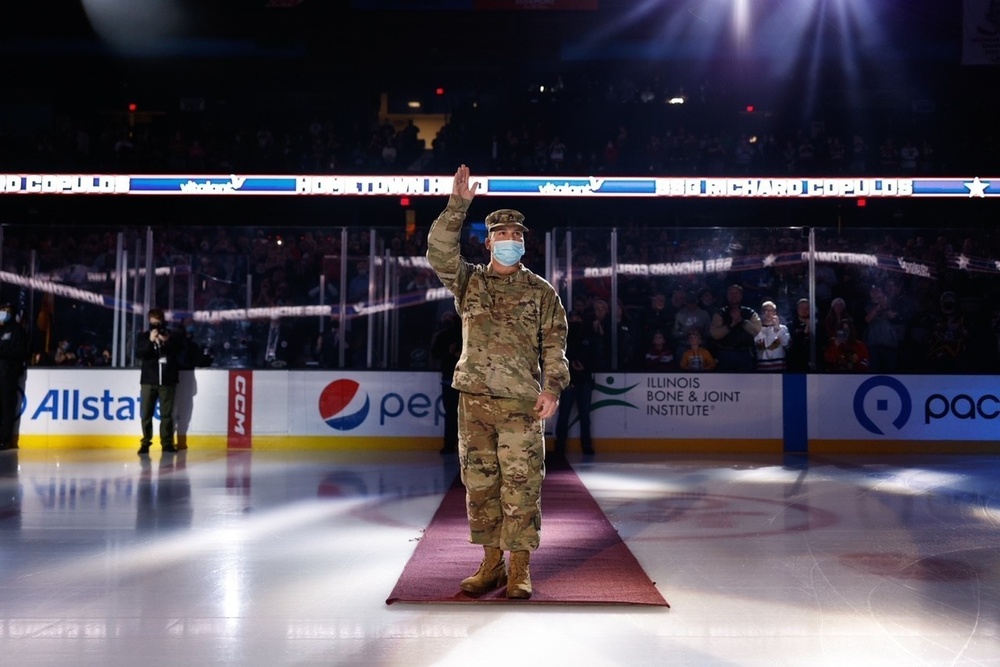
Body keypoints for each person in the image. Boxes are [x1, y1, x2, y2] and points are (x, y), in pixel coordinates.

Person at [426, 164, 569, 600]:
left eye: (516, 236)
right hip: (475, 401)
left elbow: (555, 345)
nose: (510, 242)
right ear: (487, 242)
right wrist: (457, 206)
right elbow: (438, 253)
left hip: (521, 403)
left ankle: (520, 569)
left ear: (524, 243)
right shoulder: (469, 281)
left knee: (522, 483)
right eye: (502, 236)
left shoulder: (542, 292)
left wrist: (553, 387)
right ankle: (490, 565)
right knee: (481, 483)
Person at [136, 308, 184, 455]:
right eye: (154, 323)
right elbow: (140, 353)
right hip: (149, 379)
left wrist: (167, 341)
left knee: (166, 414)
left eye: (159, 323)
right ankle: (145, 442)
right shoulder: (144, 336)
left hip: (167, 379)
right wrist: (151, 341)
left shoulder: (171, 336)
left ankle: (167, 443)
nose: (156, 326)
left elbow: (179, 350)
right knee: (146, 413)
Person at [554, 310, 595, 457]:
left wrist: (585, 367)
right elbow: (558, 358)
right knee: (564, 414)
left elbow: (595, 356)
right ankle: (560, 445)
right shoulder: (562, 337)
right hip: (568, 382)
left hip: (584, 381)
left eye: (577, 317)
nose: (575, 321)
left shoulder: (589, 336)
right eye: (572, 318)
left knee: (585, 415)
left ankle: (587, 445)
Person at [430, 310, 462, 455]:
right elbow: (435, 354)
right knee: (456, 415)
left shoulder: (445, 335)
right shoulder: (468, 336)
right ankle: (456, 445)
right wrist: (449, 354)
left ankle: (450, 445)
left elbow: (435, 354)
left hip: (456, 380)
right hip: (457, 381)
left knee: (451, 415)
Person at [709, 284, 762, 371]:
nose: (733, 296)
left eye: (736, 293)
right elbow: (715, 334)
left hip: (745, 353)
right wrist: (731, 325)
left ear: (741, 296)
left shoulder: (750, 312)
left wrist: (741, 321)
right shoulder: (720, 313)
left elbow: (757, 331)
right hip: (726, 353)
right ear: (727, 296)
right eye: (731, 293)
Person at [0, 303, 28, 450]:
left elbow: (20, 352)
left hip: (8, 375)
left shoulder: (17, 331)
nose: (3, 313)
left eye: (6, 311)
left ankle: (5, 440)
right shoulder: (1, 329)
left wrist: (3, 352)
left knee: (7, 407)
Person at [753, 301, 791, 371]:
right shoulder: (757, 329)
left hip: (779, 367)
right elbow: (758, 346)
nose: (768, 313)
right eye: (765, 310)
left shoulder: (782, 328)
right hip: (762, 367)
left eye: (770, 311)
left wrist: (777, 328)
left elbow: (785, 343)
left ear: (775, 313)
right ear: (761, 312)